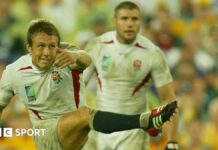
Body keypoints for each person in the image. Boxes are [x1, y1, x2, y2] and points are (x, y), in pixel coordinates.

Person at [0, 19, 177, 150]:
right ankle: (146, 121)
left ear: (58, 45)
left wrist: (75, 57)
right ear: (29, 47)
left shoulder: (66, 53)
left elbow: (85, 59)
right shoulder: (13, 72)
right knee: (85, 114)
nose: (47, 52)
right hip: (47, 134)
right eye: (40, 46)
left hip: (80, 134)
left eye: (51, 46)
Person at [83, 1, 179, 150]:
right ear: (114, 21)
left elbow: (169, 99)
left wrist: (173, 141)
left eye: (134, 19)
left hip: (133, 133)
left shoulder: (152, 53)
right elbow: (78, 85)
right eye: (124, 18)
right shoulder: (97, 45)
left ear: (140, 21)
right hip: (100, 130)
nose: (129, 24)